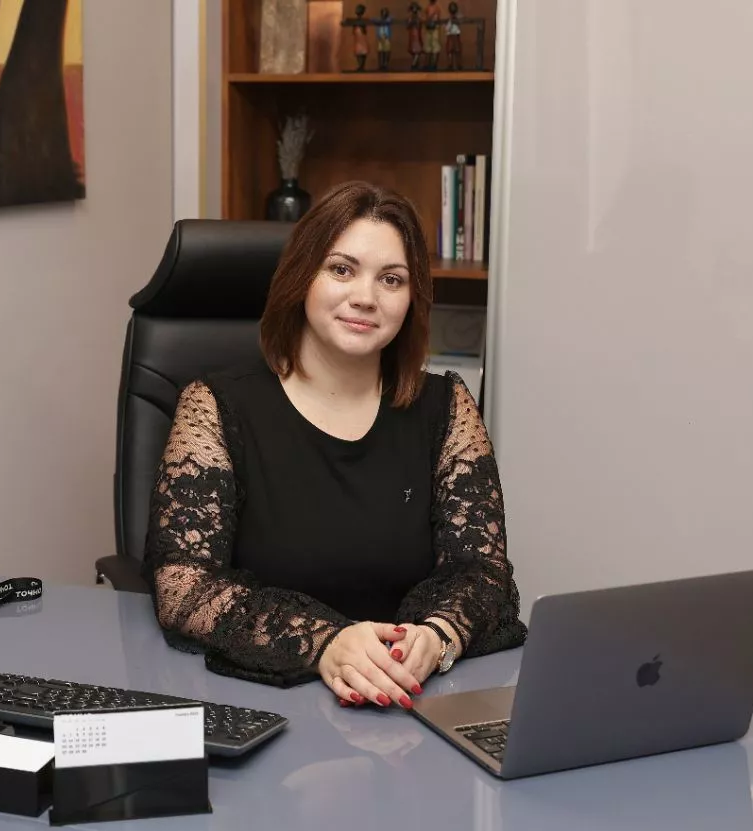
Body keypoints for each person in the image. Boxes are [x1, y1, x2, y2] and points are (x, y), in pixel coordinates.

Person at [142, 181, 527, 711]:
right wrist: (326, 642)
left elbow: (482, 570)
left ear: (412, 298)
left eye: (391, 279)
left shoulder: (446, 407)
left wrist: (437, 636)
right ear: (302, 276)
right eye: (342, 270)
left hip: (409, 700)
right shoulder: (214, 407)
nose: (366, 297)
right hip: (263, 705)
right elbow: (184, 586)